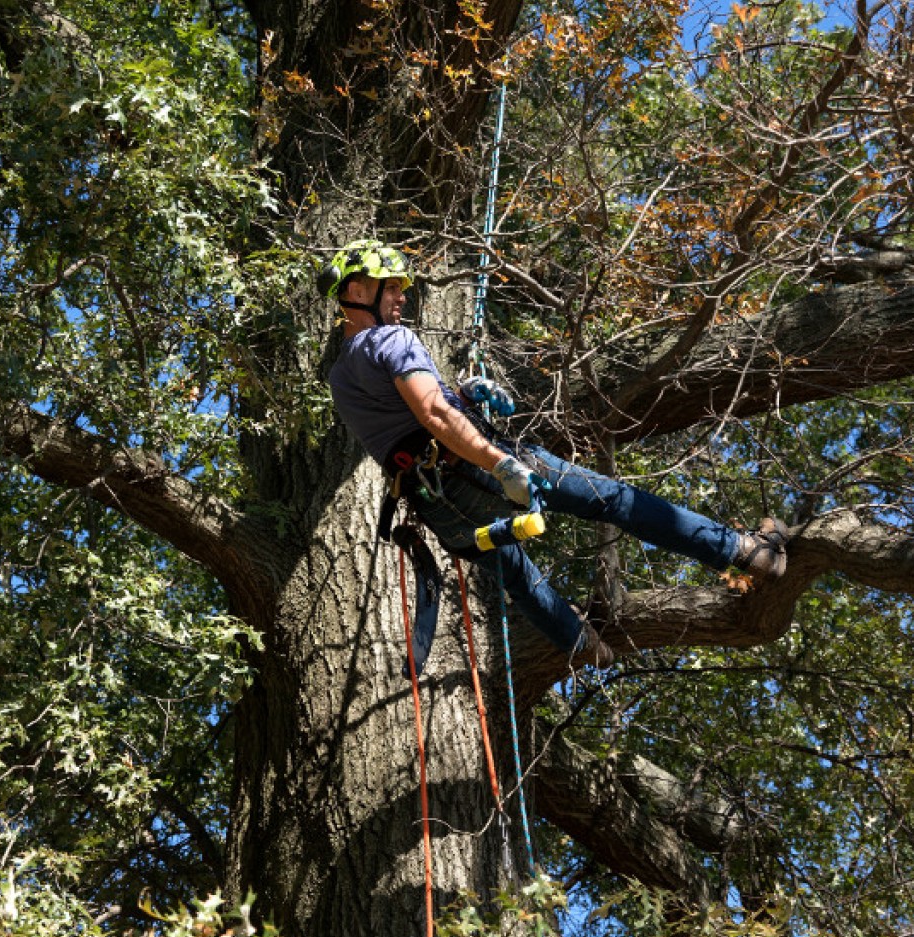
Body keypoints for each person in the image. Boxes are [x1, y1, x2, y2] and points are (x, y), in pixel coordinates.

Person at [320, 239, 789, 664]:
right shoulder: (390, 339)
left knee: (518, 577)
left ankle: (585, 648)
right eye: (391, 287)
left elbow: (408, 422)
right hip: (477, 468)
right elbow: (434, 417)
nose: (403, 296)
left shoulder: (340, 377)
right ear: (358, 290)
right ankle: (744, 551)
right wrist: (500, 462)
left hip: (440, 507)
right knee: (613, 499)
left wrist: (465, 393)